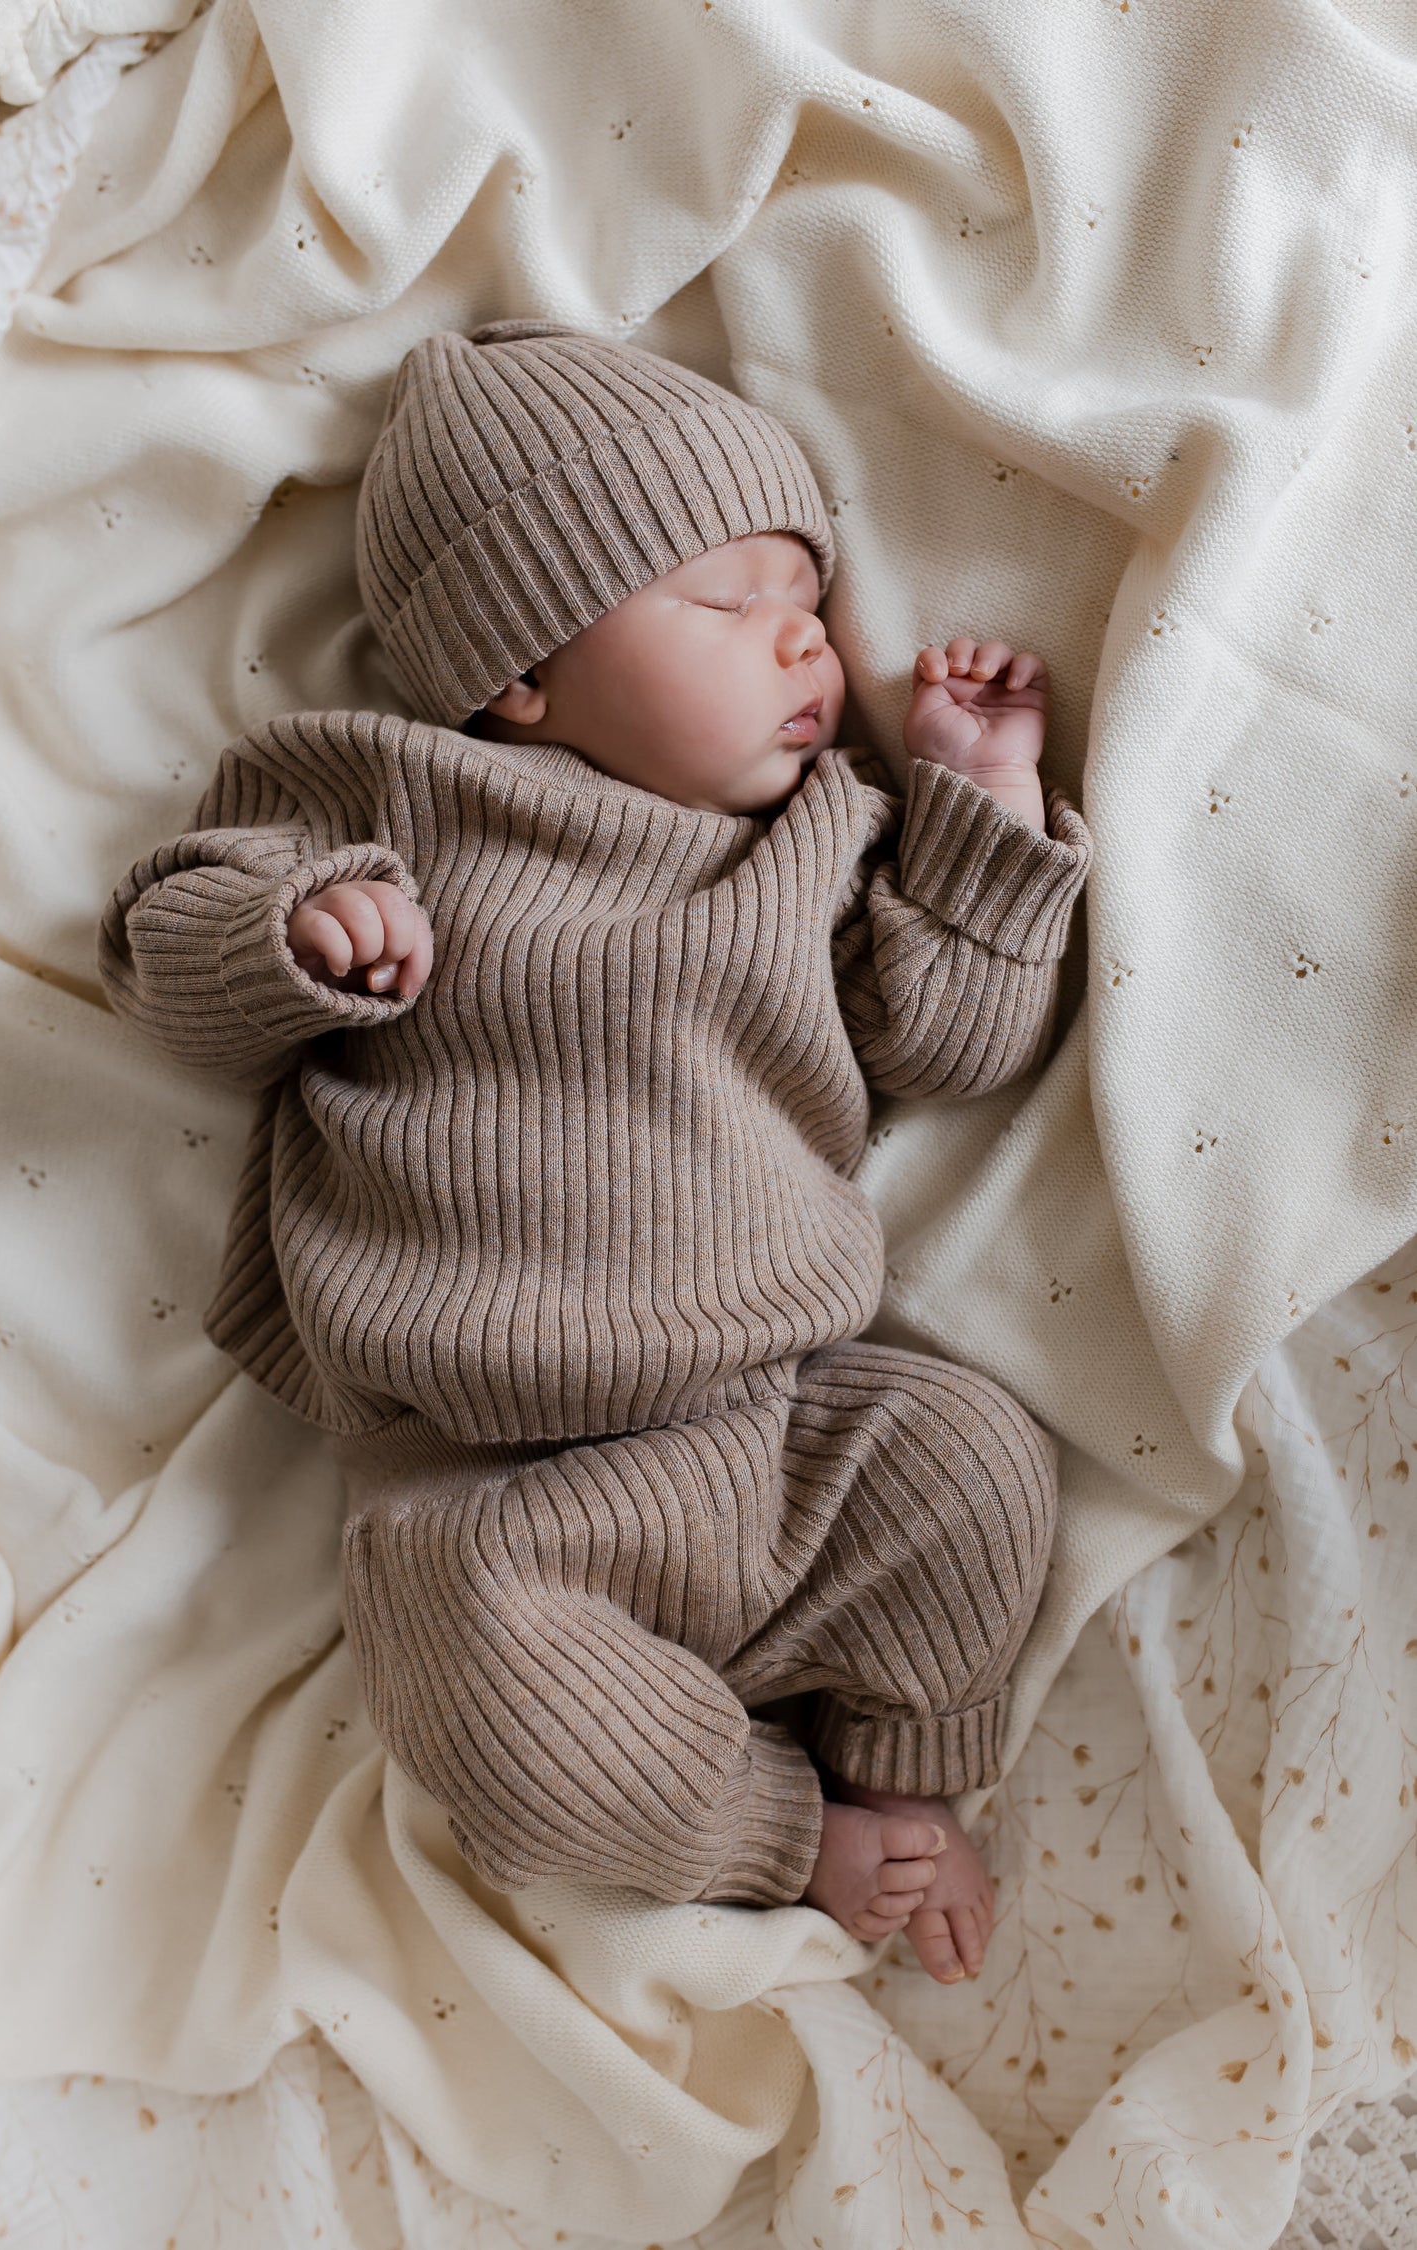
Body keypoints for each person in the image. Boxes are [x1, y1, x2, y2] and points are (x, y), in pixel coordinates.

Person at [99, 321, 1091, 1983]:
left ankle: (901, 1783)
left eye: (809, 597)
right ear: (521, 670)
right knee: (498, 1720)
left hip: (776, 1423)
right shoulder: (387, 805)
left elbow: (951, 1045)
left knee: (977, 1464)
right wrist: (294, 929)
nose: (805, 642)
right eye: (728, 603)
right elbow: (155, 953)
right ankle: (783, 1829)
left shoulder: (818, 841)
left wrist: (979, 808)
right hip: (490, 1492)